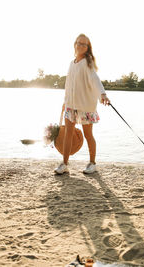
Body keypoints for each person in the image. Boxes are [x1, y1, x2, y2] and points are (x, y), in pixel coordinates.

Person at [54, 33, 110, 175]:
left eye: (84, 44)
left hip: (85, 106)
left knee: (88, 135)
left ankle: (92, 163)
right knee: (68, 134)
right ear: (75, 44)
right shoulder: (71, 63)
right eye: (78, 43)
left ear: (87, 48)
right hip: (71, 105)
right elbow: (68, 85)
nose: (80, 46)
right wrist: (64, 102)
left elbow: (95, 79)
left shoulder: (88, 62)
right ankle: (64, 164)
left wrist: (102, 94)